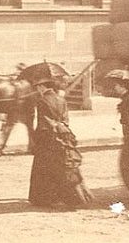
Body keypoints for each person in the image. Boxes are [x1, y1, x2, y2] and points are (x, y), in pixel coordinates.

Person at [28, 79, 94, 208]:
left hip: (48, 139)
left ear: (42, 87)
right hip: (62, 137)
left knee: (43, 169)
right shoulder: (61, 100)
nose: (37, 90)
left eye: (38, 87)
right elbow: (65, 120)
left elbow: (43, 123)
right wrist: (60, 128)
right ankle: (74, 197)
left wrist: (36, 139)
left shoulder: (42, 101)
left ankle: (44, 199)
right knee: (63, 167)